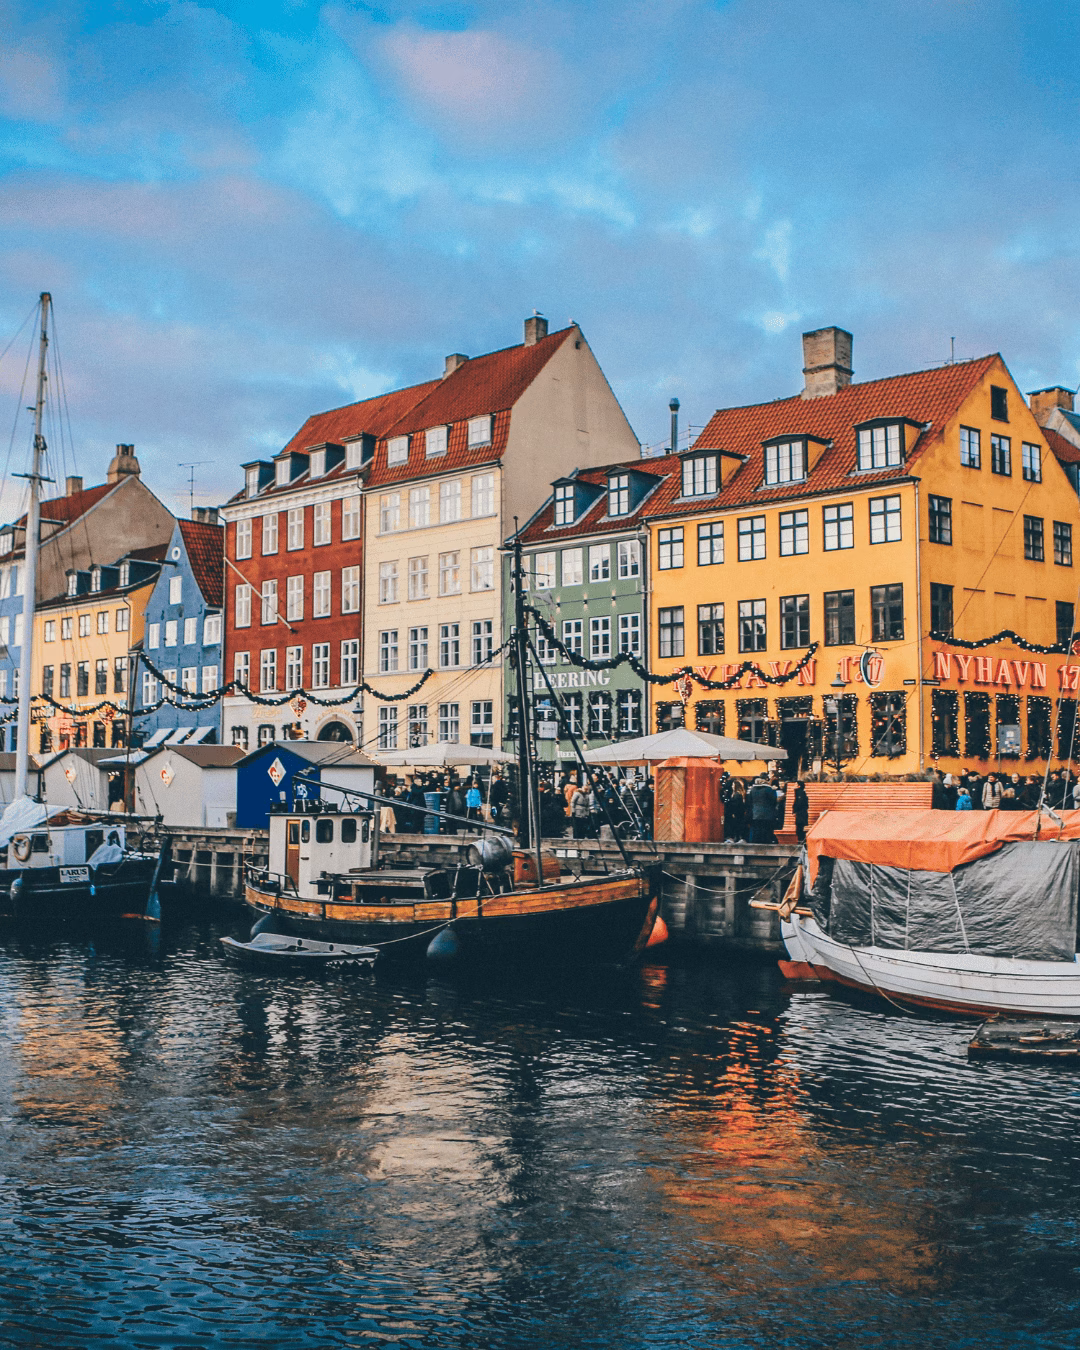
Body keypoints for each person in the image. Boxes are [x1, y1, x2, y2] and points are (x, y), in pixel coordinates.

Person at [748, 776, 777, 844]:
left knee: (757, 830)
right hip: (768, 814)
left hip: (755, 813)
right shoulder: (769, 789)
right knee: (766, 831)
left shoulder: (752, 790)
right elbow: (774, 801)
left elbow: (750, 802)